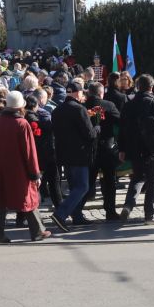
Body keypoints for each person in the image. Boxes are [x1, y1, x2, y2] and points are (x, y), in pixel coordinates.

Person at [0, 91, 52, 243]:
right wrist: (35, 174)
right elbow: (30, 152)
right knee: (27, 198)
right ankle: (38, 231)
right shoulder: (22, 124)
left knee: (0, 201)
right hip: (18, 169)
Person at [119, 74, 154, 224]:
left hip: (134, 147)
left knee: (137, 177)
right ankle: (150, 215)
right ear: (152, 86)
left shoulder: (129, 103)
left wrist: (122, 148)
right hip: (153, 147)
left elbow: (123, 128)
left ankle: (128, 205)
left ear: (138, 86)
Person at [50, 81, 98, 232]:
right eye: (82, 93)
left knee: (74, 186)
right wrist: (97, 128)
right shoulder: (79, 109)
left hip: (64, 154)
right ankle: (60, 213)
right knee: (83, 186)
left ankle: (77, 216)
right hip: (79, 154)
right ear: (78, 93)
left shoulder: (57, 110)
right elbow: (89, 134)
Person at [84, 81, 122, 222]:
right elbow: (120, 121)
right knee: (109, 182)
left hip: (90, 149)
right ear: (101, 93)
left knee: (88, 182)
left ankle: (77, 211)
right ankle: (110, 211)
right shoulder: (109, 105)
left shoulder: (83, 106)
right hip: (107, 148)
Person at [25, 94, 61, 209]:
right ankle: (60, 209)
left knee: (31, 183)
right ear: (36, 105)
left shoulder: (22, 117)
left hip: (32, 155)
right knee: (54, 181)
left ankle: (21, 216)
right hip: (46, 153)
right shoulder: (41, 117)